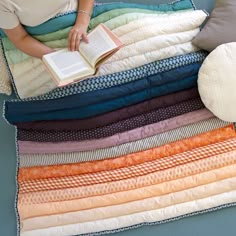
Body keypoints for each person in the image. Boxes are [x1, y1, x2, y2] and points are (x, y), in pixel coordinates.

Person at [0, 0, 94, 58]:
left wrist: (82, 23)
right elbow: (20, 38)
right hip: (43, 46)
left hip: (83, 17)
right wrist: (54, 58)